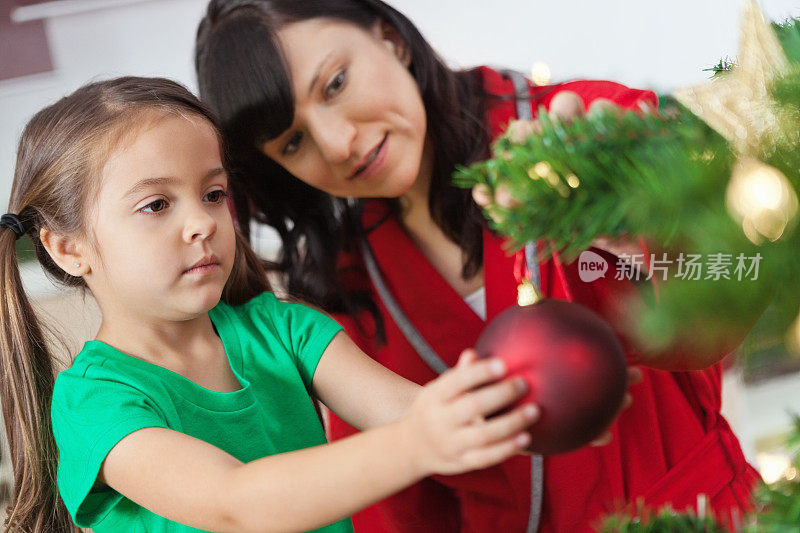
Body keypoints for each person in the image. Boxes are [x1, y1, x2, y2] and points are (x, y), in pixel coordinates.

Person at [194, 1, 761, 531]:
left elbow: (736, 289)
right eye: (293, 143)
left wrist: (618, 217)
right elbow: (399, 509)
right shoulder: (346, 289)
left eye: (336, 84)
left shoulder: (583, 130)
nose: (338, 143)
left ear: (390, 39)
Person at [0, 76, 545, 532]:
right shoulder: (94, 402)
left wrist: (532, 409)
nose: (202, 223)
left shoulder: (284, 330)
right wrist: (419, 443)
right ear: (68, 249)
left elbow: (415, 412)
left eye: (213, 195)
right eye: (156, 204)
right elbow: (235, 502)